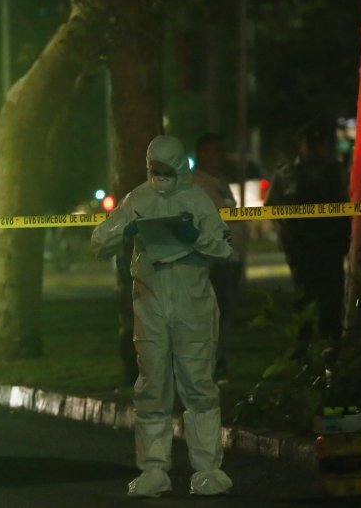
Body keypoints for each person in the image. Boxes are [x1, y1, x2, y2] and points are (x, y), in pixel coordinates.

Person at [91, 135, 233, 498]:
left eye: (166, 171)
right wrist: (125, 230)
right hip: (150, 304)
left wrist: (194, 236)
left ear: (181, 168)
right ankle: (153, 471)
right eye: (154, 170)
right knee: (152, 388)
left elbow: (224, 248)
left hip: (193, 304)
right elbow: (98, 241)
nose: (160, 177)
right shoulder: (137, 200)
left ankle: (208, 471)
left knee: (198, 386)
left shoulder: (199, 200)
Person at [264, 120, 350, 352]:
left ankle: (331, 342)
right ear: (301, 145)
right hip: (301, 247)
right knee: (305, 297)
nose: (315, 148)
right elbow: (272, 206)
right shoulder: (286, 173)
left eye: (319, 143)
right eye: (310, 144)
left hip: (331, 245)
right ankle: (301, 346)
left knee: (332, 297)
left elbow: (350, 205)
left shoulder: (336, 172)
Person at [191, 133, 246, 382]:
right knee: (211, 316)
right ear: (201, 154)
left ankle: (217, 361)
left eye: (220, 151)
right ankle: (209, 365)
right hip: (212, 261)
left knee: (223, 315)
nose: (219, 157)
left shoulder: (219, 183)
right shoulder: (196, 185)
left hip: (229, 259)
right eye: (213, 151)